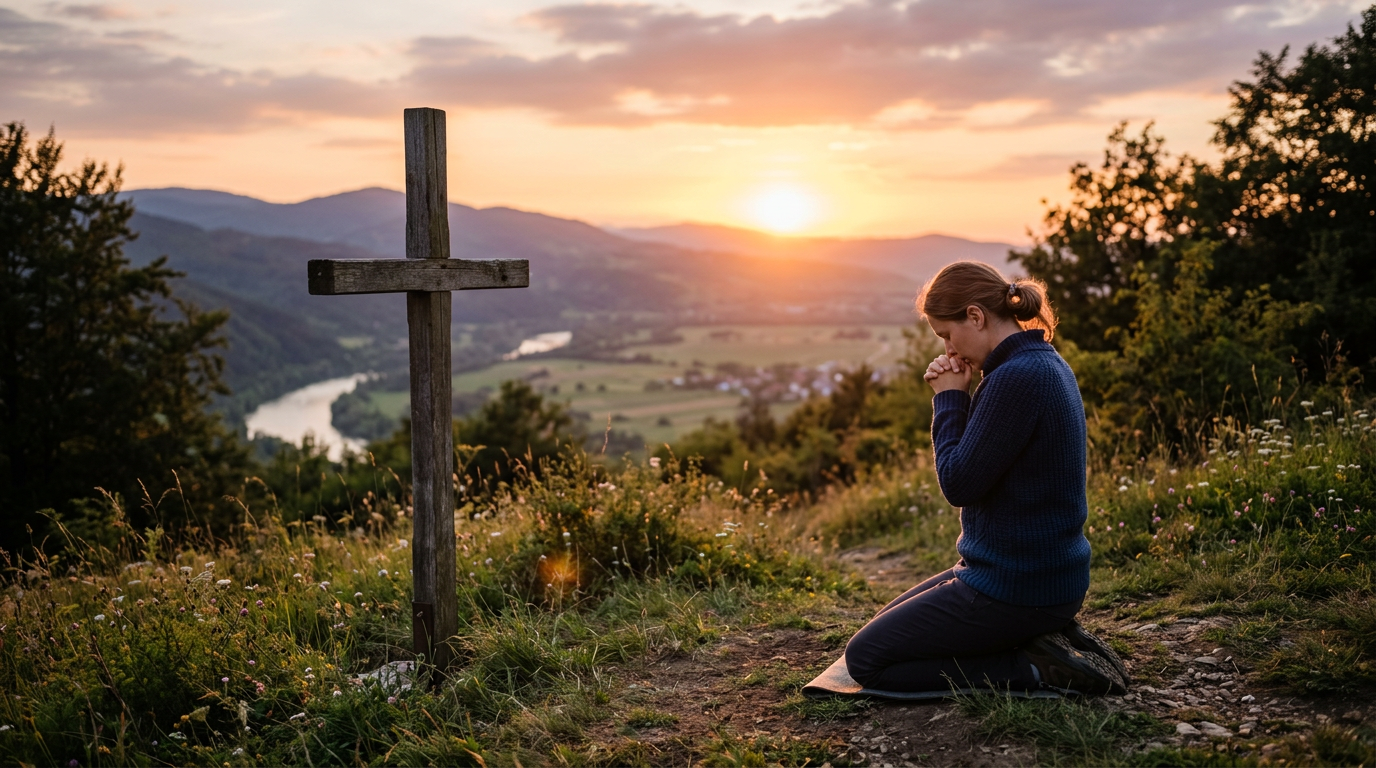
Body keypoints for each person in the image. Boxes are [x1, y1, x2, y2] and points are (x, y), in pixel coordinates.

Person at [843, 261, 1128, 695]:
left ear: (975, 316)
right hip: (1039, 579)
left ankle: (1034, 668)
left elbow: (959, 484)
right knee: (884, 627)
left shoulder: (1015, 378)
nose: (949, 350)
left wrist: (950, 399)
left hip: (1018, 590)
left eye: (946, 334)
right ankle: (1038, 639)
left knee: (866, 659)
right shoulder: (1043, 362)